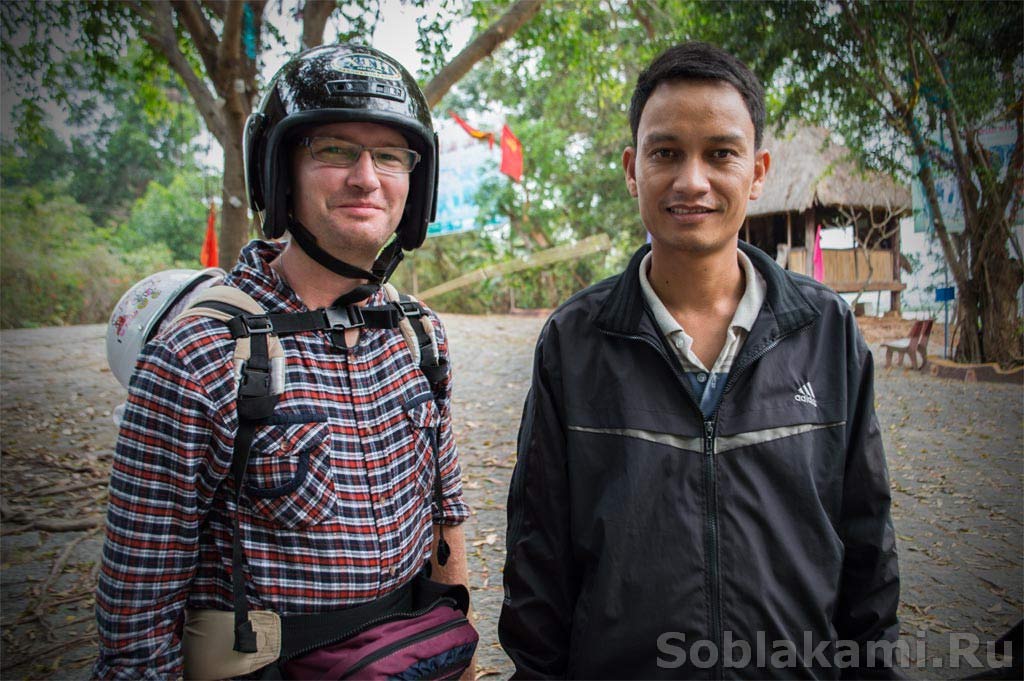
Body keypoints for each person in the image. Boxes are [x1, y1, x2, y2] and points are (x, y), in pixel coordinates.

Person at [499, 41, 901, 679]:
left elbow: (867, 545)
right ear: (633, 169)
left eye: (720, 153)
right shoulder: (574, 343)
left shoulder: (827, 332)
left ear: (758, 170)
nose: (692, 180)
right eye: (666, 153)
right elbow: (538, 559)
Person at [95, 44, 473, 679]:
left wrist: (460, 660)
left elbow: (447, 518)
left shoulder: (418, 335)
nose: (366, 177)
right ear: (280, 172)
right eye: (333, 150)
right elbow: (138, 612)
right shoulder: (197, 354)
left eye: (389, 155)